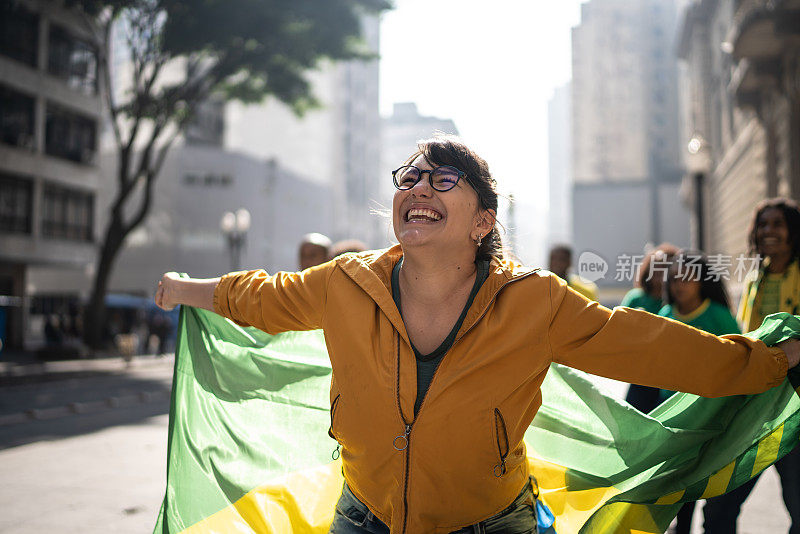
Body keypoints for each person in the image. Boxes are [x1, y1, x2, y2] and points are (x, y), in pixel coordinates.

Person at [155, 136, 799, 534]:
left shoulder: (535, 301)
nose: (416, 187)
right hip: (363, 520)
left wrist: (773, 361)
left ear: (482, 220)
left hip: (492, 527)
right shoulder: (345, 283)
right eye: (408, 177)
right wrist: (184, 289)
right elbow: (261, 297)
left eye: (441, 179)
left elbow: (656, 347)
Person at [702, 198, 800, 534]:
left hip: (795, 410)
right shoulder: (754, 280)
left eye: (777, 224)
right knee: (718, 509)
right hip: (757, 409)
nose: (768, 231)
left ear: (793, 232)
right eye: (763, 225)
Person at [655, 250, 741, 534]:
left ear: (703, 280)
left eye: (688, 278)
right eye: (675, 278)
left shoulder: (718, 316)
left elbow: (738, 361)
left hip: (714, 422)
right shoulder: (665, 316)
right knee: (678, 494)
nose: (680, 284)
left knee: (714, 495)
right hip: (674, 423)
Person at [622, 243, 680, 413]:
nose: (662, 273)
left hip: (670, 378)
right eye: (658, 267)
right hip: (641, 375)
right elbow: (619, 332)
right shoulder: (636, 299)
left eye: (668, 268)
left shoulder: (679, 303)